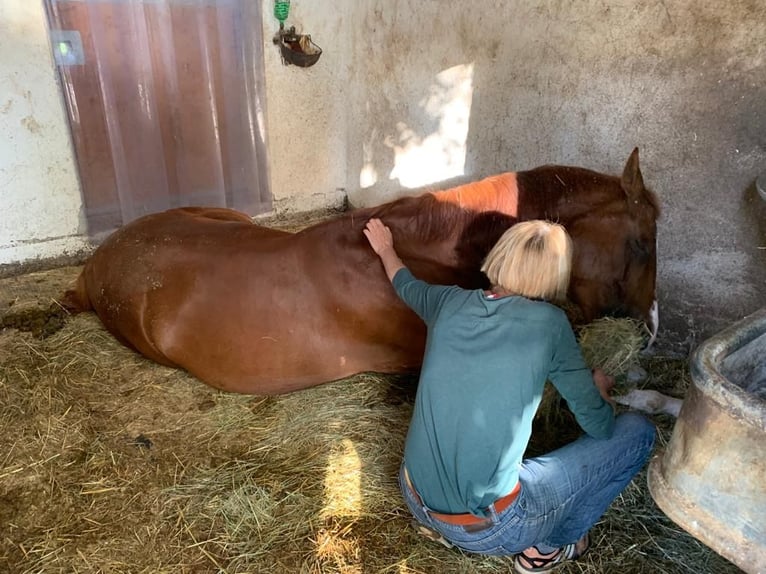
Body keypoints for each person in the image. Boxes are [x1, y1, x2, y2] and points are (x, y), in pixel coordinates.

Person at [363, 217, 656, 573]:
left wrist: (385, 249)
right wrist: (599, 390)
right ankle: (547, 550)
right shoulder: (550, 324)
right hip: (491, 528)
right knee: (637, 432)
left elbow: (406, 284)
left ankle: (450, 524)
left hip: (413, 493)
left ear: (500, 255)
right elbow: (598, 425)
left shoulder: (449, 302)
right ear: (555, 274)